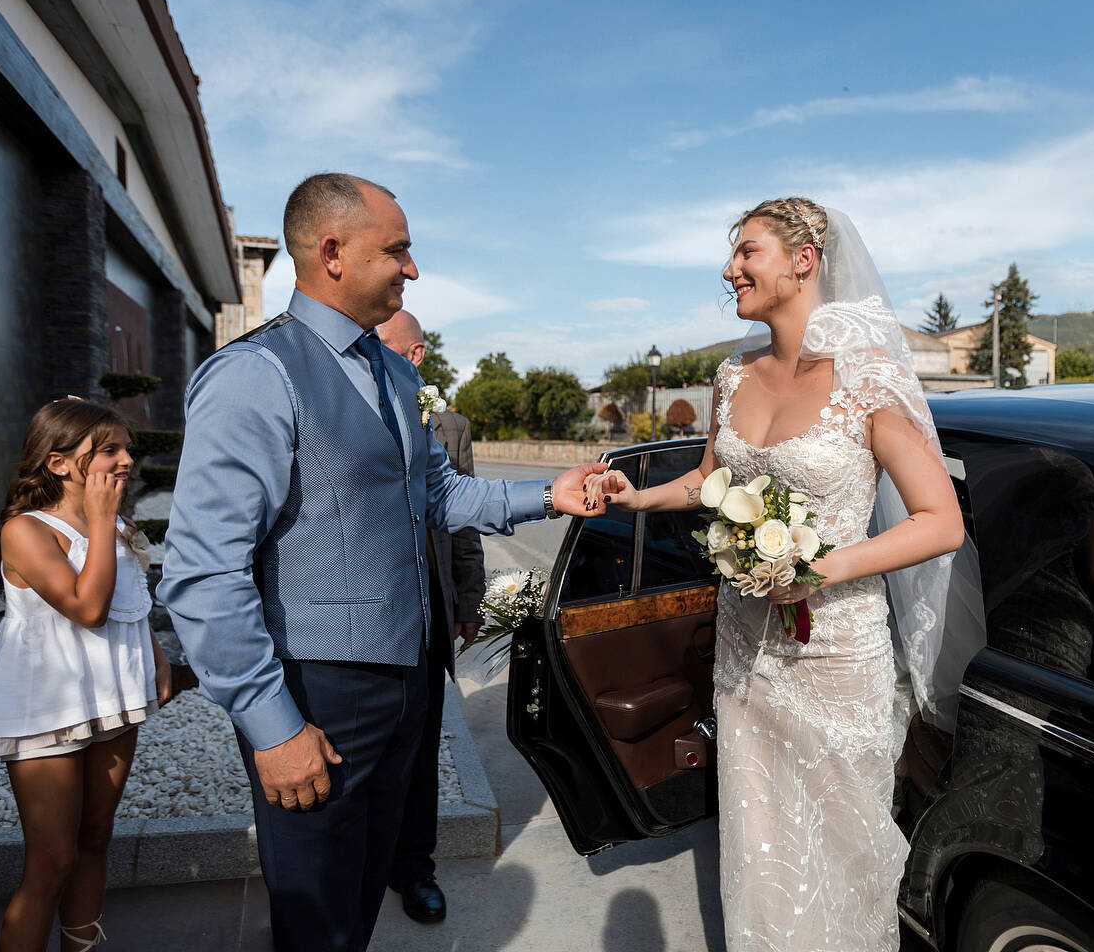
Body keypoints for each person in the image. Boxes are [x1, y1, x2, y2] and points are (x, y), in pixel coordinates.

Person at [159, 172, 604, 952]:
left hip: (405, 679)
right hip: (316, 690)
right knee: (318, 916)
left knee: (360, 898)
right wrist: (272, 727)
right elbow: (203, 575)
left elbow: (436, 495)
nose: (413, 268)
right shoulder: (254, 377)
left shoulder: (394, 371)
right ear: (333, 252)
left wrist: (549, 495)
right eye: (397, 249)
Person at [584, 198, 966, 951]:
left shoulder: (869, 380)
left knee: (842, 846)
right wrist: (639, 499)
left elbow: (940, 521)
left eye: (747, 252)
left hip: (834, 651)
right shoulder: (732, 375)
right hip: (745, 650)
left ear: (803, 259)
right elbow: (709, 481)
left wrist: (822, 566)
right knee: (760, 841)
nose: (731, 270)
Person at [0, 398, 173, 952]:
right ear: (58, 463)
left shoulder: (118, 526)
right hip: (48, 706)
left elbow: (130, 604)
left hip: (111, 699)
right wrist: (105, 520)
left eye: (126, 447)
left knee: (94, 838)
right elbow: (87, 608)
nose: (126, 459)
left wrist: (154, 658)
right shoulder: (26, 531)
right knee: (52, 860)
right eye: (108, 449)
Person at [376, 310, 485, 923]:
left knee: (418, 754)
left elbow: (461, 519)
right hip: (361, 619)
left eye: (383, 345)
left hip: (426, 618)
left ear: (413, 357)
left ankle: (413, 867)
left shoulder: (450, 425)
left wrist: (467, 601)